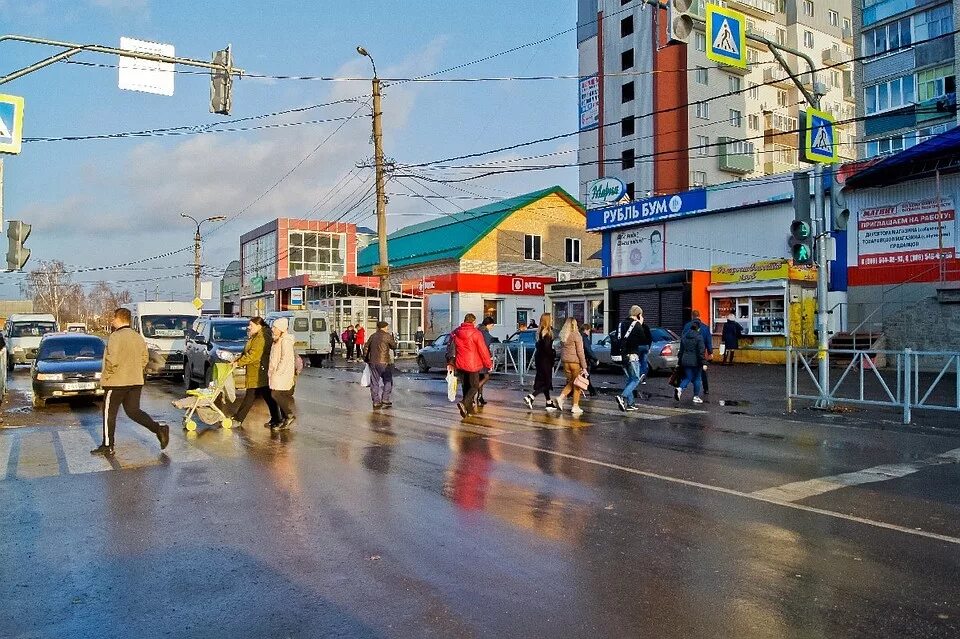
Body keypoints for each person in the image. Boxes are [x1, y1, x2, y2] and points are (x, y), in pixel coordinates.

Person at [91, 308, 169, 456]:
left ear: (119, 318)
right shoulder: (137, 337)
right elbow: (145, 358)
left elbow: (111, 360)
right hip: (135, 381)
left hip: (116, 382)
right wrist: (135, 371)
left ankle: (108, 445)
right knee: (134, 411)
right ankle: (159, 429)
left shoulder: (115, 336)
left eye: (113, 318)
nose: (112, 321)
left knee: (109, 413)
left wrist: (107, 377)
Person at [231, 317, 282, 428]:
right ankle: (277, 418)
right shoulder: (255, 336)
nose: (249, 327)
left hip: (259, 370)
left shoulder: (261, 338)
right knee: (267, 395)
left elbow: (254, 355)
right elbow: (247, 352)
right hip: (257, 370)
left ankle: (238, 419)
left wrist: (238, 363)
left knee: (251, 395)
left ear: (259, 326)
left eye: (251, 325)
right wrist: (236, 359)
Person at [448, 313, 493, 419]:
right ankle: (464, 403)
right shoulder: (476, 333)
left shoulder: (457, 332)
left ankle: (468, 410)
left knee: (465, 386)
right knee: (474, 386)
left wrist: (450, 361)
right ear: (473, 322)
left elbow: (451, 346)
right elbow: (483, 350)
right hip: (473, 364)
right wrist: (488, 364)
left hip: (460, 363)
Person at [524, 313, 558, 411]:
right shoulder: (547, 333)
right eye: (551, 318)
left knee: (543, 380)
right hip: (545, 360)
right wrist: (553, 353)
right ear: (548, 320)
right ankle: (531, 396)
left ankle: (548, 402)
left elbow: (540, 346)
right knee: (546, 382)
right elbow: (547, 349)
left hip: (539, 359)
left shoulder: (539, 332)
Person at [614, 305, 645, 412]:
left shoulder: (621, 324)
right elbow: (643, 339)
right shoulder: (636, 325)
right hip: (632, 356)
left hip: (621, 356)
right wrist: (640, 324)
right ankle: (622, 397)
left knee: (629, 380)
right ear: (639, 314)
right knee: (636, 379)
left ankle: (631, 404)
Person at [555, 317, 589, 416]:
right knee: (577, 384)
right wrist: (584, 366)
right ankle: (575, 406)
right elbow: (580, 352)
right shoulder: (576, 335)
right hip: (575, 363)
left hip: (565, 362)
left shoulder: (563, 335)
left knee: (571, 382)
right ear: (575, 325)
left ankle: (561, 398)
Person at [268, 317, 297, 430]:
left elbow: (285, 358)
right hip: (276, 372)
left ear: (281, 329)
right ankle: (284, 418)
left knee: (276, 394)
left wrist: (278, 371)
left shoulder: (286, 340)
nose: (273, 329)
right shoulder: (278, 339)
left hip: (281, 373)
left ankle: (289, 415)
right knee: (277, 394)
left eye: (275, 327)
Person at [364, 320, 398, 409]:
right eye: (386, 327)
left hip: (373, 362)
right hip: (384, 362)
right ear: (383, 327)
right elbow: (394, 346)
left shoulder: (373, 336)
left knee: (374, 381)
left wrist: (366, 358)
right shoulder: (387, 336)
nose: (387, 328)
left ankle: (376, 401)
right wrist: (394, 340)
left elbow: (366, 347)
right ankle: (385, 399)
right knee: (388, 380)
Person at [675, 318, 707, 404]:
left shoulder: (684, 336)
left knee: (688, 377)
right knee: (697, 379)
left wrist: (679, 362)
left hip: (685, 360)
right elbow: (701, 351)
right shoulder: (699, 337)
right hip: (696, 362)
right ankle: (696, 396)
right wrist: (704, 363)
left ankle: (680, 388)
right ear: (698, 328)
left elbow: (681, 351)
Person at [682, 310, 713, 394]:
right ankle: (705, 389)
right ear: (699, 316)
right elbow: (708, 341)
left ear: (692, 316)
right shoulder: (705, 328)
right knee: (701, 373)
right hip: (701, 353)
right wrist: (710, 352)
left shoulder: (687, 326)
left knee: (688, 374)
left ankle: (681, 387)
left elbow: (683, 340)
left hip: (688, 354)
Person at [476, 317, 496, 406]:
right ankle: (473, 392)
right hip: (482, 359)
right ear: (488, 325)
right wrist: (490, 358)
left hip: (475, 358)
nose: (492, 327)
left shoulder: (477, 330)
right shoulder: (485, 334)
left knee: (480, 378)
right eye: (492, 325)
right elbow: (486, 348)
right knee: (486, 377)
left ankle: (480, 396)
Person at [635, 309, 653, 386]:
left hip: (638, 346)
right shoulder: (646, 327)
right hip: (645, 346)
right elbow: (650, 338)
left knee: (636, 362)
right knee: (644, 362)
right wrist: (648, 347)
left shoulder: (635, 327)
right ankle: (643, 378)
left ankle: (637, 377)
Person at [581, 323, 599, 396]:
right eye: (588, 331)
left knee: (584, 376)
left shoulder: (579, 336)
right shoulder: (584, 338)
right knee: (586, 376)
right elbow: (588, 350)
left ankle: (591, 390)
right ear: (585, 330)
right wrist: (595, 358)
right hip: (585, 360)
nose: (589, 333)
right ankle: (592, 391)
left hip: (581, 359)